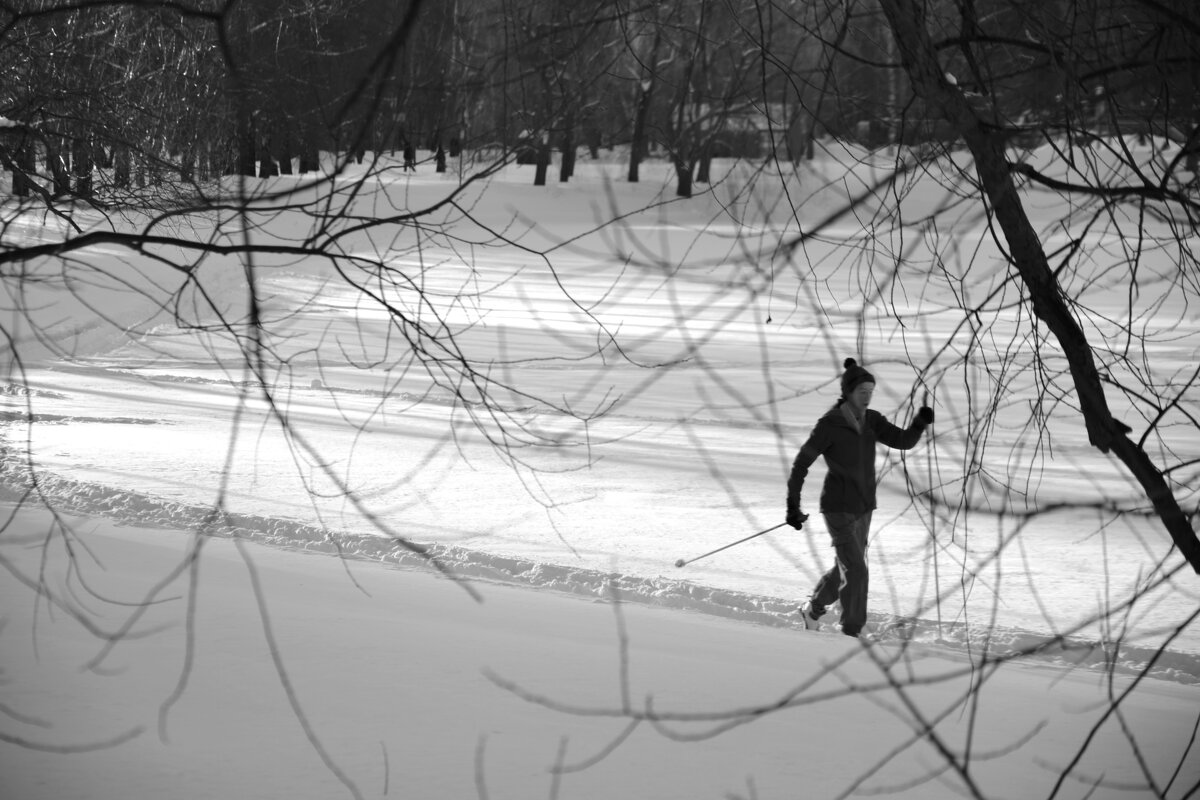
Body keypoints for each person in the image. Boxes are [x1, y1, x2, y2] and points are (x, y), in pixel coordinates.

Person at [786, 358, 934, 638]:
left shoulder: (872, 421)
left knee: (847, 565)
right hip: (837, 507)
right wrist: (792, 505)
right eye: (861, 392)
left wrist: (919, 423)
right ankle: (852, 631)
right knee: (856, 569)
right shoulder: (829, 425)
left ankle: (813, 609)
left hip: (864, 507)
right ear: (848, 392)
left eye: (870, 392)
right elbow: (801, 464)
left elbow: (902, 441)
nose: (867, 397)